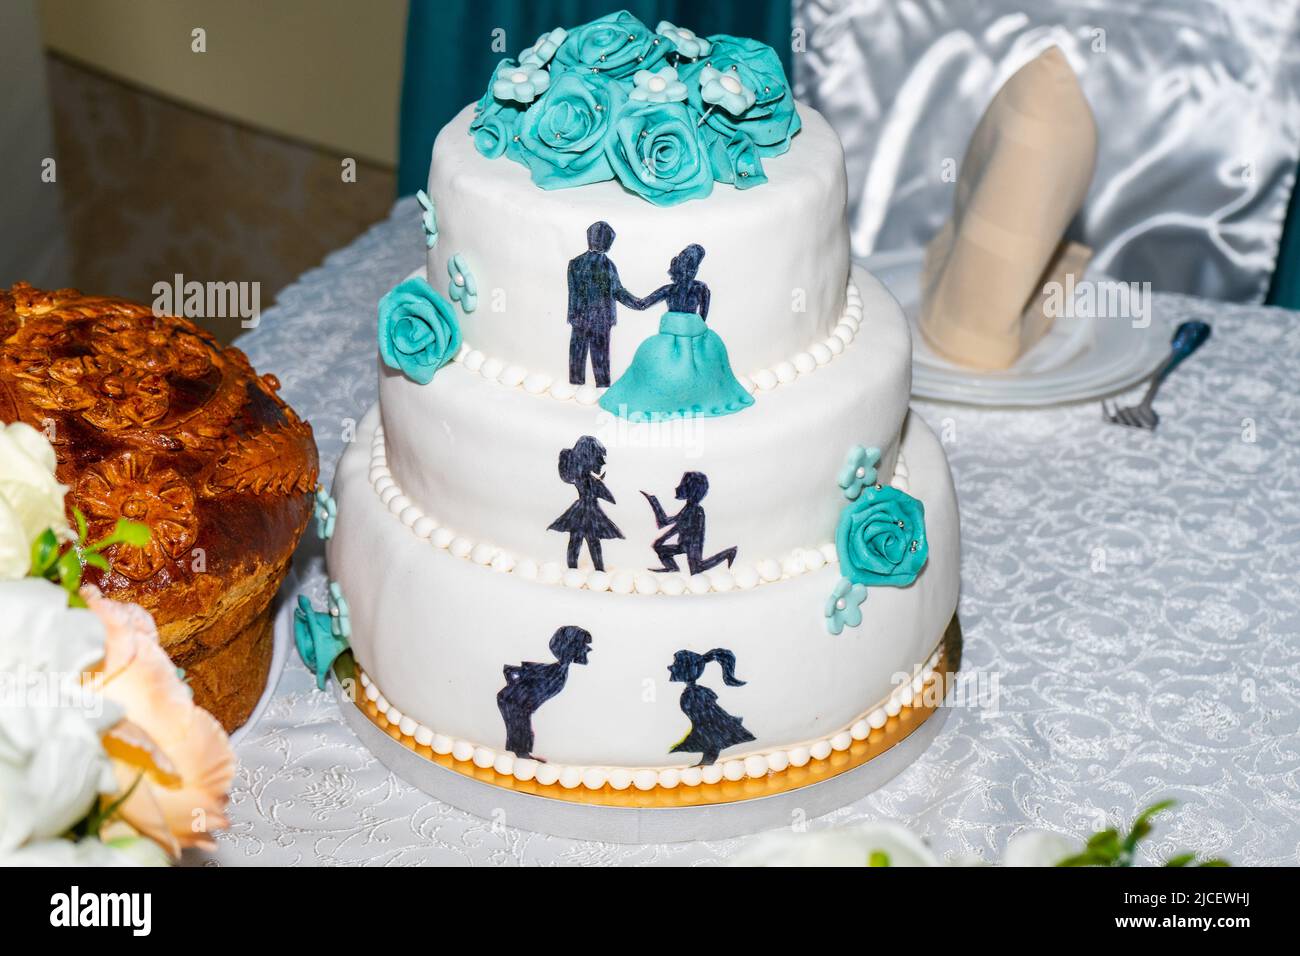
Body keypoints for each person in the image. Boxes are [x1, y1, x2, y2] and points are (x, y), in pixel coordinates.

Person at [598, 243, 754, 420]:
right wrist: (616, 291)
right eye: (689, 267)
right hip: (689, 339)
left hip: (690, 338)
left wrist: (618, 292)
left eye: (693, 268)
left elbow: (643, 305)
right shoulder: (687, 289)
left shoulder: (689, 289)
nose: (690, 272)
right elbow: (700, 316)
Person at [497, 625, 593, 761]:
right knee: (520, 717)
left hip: (514, 701)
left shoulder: (559, 671)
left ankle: (521, 755)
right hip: (512, 701)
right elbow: (518, 673)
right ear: (571, 647)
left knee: (522, 716)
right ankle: (521, 755)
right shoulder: (558, 673)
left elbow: (520, 672)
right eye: (583, 645)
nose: (587, 649)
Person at [567, 221, 644, 387]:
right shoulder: (608, 266)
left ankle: (576, 384)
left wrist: (573, 316)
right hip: (601, 321)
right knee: (600, 359)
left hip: (581, 318)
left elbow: (573, 293)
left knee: (578, 356)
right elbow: (618, 291)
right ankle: (600, 387)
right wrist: (637, 303)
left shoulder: (575, 263)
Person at [667, 648, 755, 767]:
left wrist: (706, 763)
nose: (670, 667)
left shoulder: (693, 696)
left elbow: (711, 733)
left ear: (687, 669)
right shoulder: (693, 693)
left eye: (675, 664)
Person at [548, 436, 623, 572]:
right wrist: (599, 482)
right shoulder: (589, 480)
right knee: (591, 541)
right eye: (599, 458)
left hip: (579, 511)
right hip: (590, 512)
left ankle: (574, 569)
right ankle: (597, 570)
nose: (602, 462)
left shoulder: (580, 478)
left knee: (577, 540)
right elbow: (609, 498)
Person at [642, 471, 737, 575]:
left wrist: (654, 502)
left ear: (691, 490)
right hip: (684, 544)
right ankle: (673, 568)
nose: (677, 488)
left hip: (693, 545)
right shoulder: (688, 508)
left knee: (696, 570)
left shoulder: (695, 510)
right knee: (660, 549)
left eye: (682, 485)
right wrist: (653, 501)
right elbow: (671, 523)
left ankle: (729, 552)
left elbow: (674, 525)